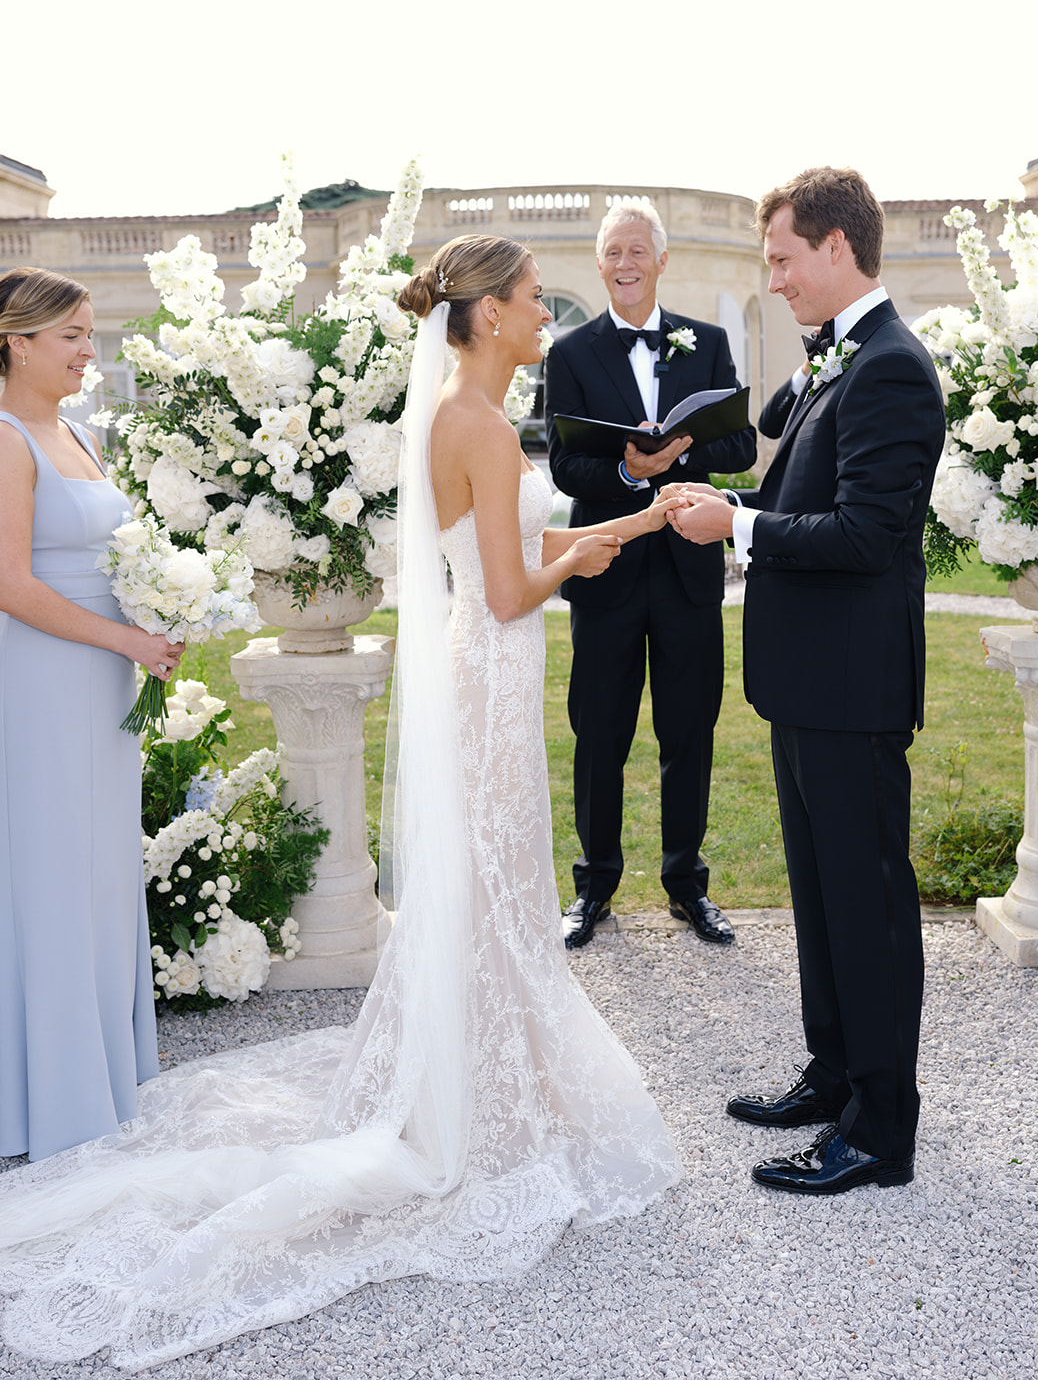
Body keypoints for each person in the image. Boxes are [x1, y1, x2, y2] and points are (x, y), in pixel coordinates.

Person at [0, 236, 681, 1370]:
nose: (542, 318)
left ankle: (485, 1076)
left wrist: (623, 530)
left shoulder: (457, 412)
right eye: (529, 302)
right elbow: (512, 589)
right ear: (487, 317)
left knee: (493, 879)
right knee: (499, 878)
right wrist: (577, 565)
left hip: (482, 666)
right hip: (495, 667)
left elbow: (501, 550)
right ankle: (484, 1094)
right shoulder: (484, 420)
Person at [669, 167, 944, 1196]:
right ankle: (834, 1073)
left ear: (837, 247)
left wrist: (736, 526)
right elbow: (805, 497)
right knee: (822, 898)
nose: (774, 279)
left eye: (783, 258)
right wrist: (728, 497)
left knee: (865, 906)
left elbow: (869, 535)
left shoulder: (893, 368)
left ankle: (881, 1126)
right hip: (806, 685)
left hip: (853, 688)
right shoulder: (840, 359)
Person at [0, 268, 182, 1163]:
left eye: (89, 332)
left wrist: (158, 613)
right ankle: (45, 1097)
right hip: (42, 681)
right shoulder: (3, 439)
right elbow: (11, 586)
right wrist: (125, 645)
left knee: (102, 864)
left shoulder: (75, 431)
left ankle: (103, 1074)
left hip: (105, 679)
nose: (87, 350)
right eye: (70, 335)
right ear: (16, 340)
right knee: (53, 869)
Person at [544, 200, 757, 949]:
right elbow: (565, 461)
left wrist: (680, 459)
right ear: (599, 264)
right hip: (603, 568)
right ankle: (593, 886)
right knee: (598, 731)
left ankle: (686, 885)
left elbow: (740, 450)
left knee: (687, 729)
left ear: (660, 262)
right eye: (613, 253)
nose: (625, 264)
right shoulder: (568, 354)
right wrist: (629, 469)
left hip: (688, 572)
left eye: (638, 251)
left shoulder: (709, 343)